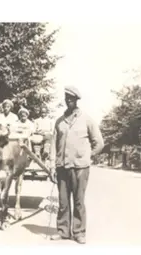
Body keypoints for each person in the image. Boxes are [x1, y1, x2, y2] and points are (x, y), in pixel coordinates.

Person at [49, 85, 104, 244]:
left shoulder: (86, 119)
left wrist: (87, 155)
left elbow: (99, 143)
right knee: (63, 201)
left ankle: (79, 232)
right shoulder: (59, 122)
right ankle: (63, 231)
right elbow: (53, 144)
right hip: (62, 167)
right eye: (67, 98)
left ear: (76, 100)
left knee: (79, 201)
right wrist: (52, 165)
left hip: (80, 167)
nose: (68, 101)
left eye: (71, 99)